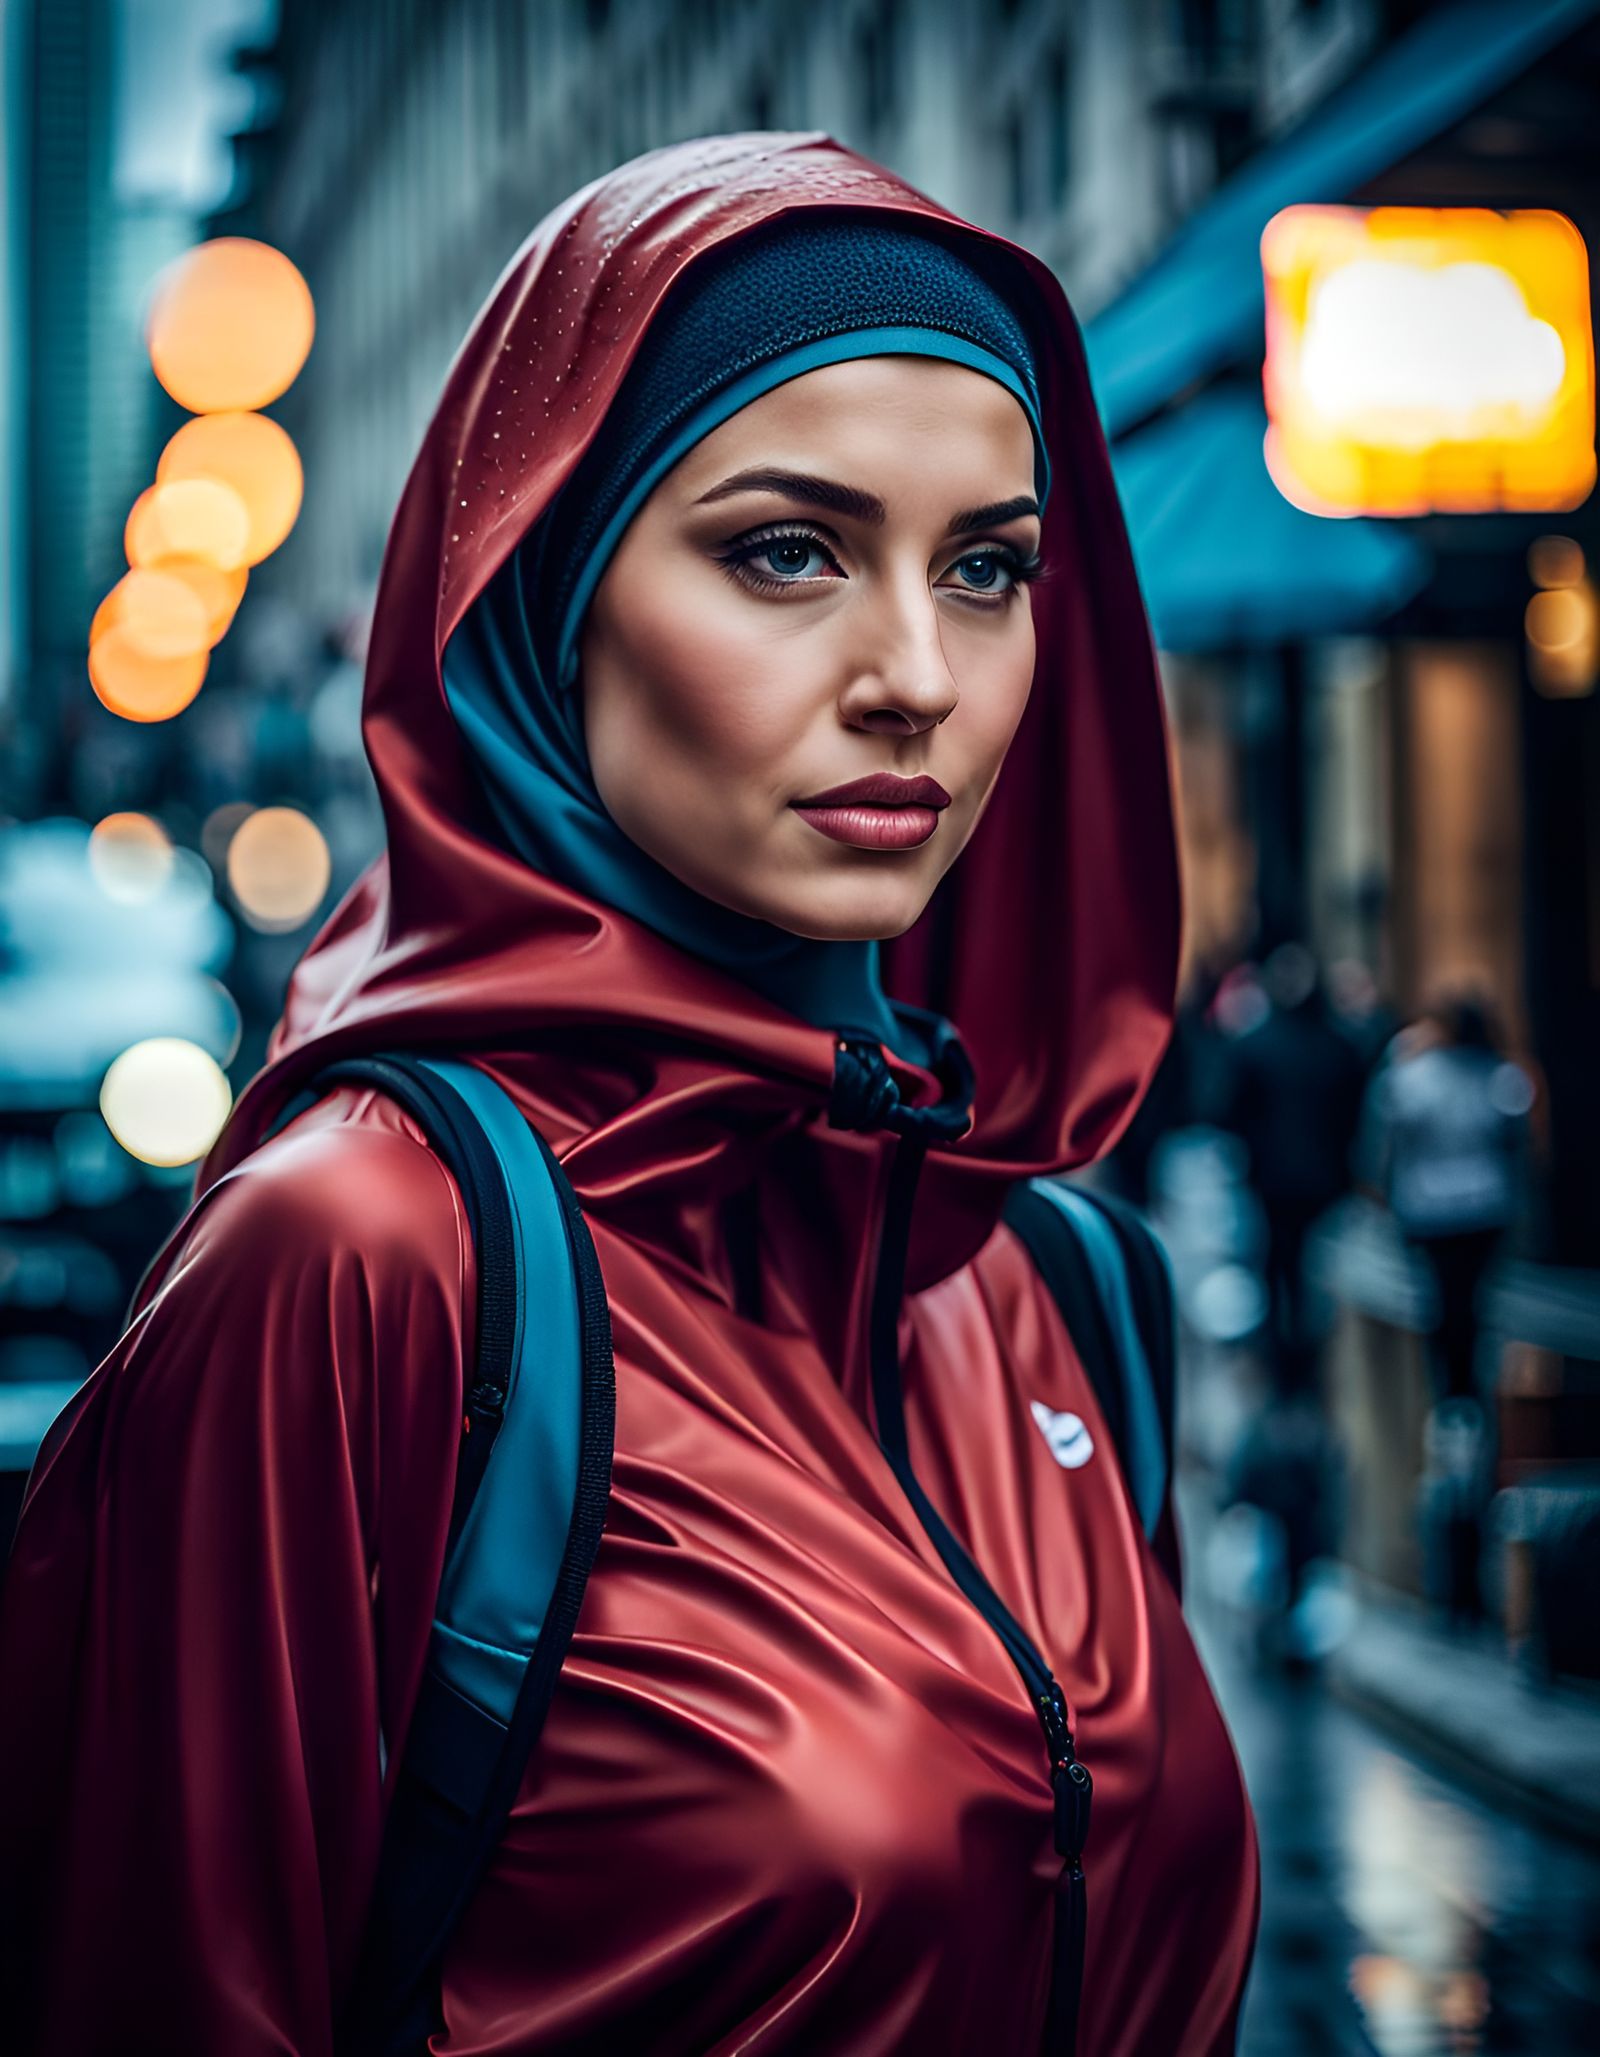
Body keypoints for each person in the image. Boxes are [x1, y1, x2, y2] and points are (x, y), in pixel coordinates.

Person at [0, 136, 1258, 2054]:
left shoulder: (1057, 1279)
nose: (917, 673)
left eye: (988, 567)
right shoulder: (360, 1255)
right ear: (546, 603)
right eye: (788, 550)